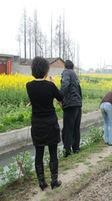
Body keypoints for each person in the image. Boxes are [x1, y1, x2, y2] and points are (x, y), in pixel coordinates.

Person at [26, 56, 62, 190]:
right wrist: (53, 83)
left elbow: (36, 98)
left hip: (37, 125)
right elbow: (60, 97)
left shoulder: (28, 86)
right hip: (51, 124)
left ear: (33, 70)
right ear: (46, 70)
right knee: (53, 152)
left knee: (39, 153)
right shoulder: (50, 85)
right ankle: (54, 181)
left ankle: (42, 183)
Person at [60, 60, 82, 157]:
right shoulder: (75, 75)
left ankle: (67, 151)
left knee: (68, 128)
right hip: (77, 104)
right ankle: (76, 148)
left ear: (65, 66)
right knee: (76, 128)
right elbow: (79, 89)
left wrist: (59, 96)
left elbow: (65, 85)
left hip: (70, 105)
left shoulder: (66, 72)